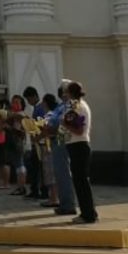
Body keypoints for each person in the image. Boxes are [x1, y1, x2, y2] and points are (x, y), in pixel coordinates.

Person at [64, 81, 97, 225]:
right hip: (78, 145)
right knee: (81, 181)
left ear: (71, 93)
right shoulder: (80, 105)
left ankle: (87, 214)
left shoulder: (76, 106)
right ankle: (90, 211)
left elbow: (78, 129)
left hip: (78, 145)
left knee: (81, 182)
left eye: (66, 92)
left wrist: (63, 123)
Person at [46, 81, 77, 216]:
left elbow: (63, 124)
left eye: (64, 90)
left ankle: (68, 204)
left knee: (63, 172)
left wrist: (50, 128)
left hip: (62, 139)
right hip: (57, 139)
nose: (62, 93)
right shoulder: (61, 105)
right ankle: (64, 203)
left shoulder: (71, 105)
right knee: (58, 172)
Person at [37, 94, 60, 207]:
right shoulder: (53, 114)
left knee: (50, 172)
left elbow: (47, 130)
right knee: (49, 172)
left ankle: (54, 198)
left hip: (47, 146)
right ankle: (53, 197)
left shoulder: (50, 115)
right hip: (49, 145)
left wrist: (37, 137)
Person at [22, 86, 43, 199]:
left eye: (29, 99)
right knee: (34, 167)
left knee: (36, 168)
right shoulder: (37, 108)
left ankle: (37, 189)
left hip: (39, 141)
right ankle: (35, 189)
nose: (28, 102)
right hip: (36, 141)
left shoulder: (39, 108)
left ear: (34, 96)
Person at [5, 96, 29, 196]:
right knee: (18, 164)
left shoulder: (19, 115)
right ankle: (20, 186)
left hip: (17, 142)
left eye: (17, 102)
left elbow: (18, 130)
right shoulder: (14, 115)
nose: (14, 104)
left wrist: (7, 127)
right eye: (13, 102)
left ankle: (21, 187)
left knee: (19, 165)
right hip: (15, 142)